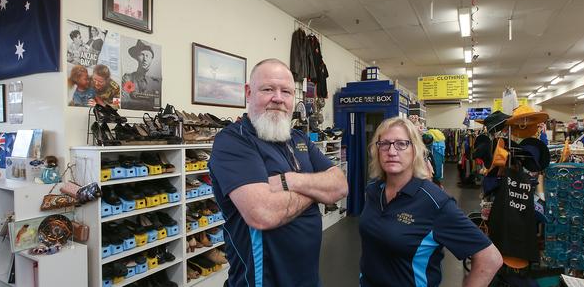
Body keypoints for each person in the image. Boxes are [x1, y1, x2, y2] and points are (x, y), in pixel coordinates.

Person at [208, 58, 348, 287]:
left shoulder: (298, 138)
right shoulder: (234, 140)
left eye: (287, 91)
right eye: (268, 89)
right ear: (248, 92)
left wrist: (288, 181)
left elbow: (340, 185)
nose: (278, 98)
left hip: (308, 278)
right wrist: (317, 190)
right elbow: (263, 213)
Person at [359, 117, 502, 287]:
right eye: (384, 144)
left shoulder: (435, 202)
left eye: (401, 144)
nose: (391, 151)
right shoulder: (374, 189)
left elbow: (490, 258)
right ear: (377, 150)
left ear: (415, 150)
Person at [121, 39, 161, 110]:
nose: (145, 59)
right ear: (136, 57)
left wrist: (135, 100)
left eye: (148, 55)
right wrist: (148, 103)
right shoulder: (128, 78)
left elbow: (157, 106)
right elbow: (124, 102)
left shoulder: (156, 83)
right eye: (142, 55)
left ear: (151, 59)